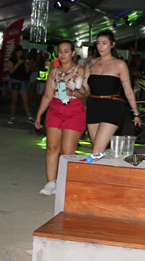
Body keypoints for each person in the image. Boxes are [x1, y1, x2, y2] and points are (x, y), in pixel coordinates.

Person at [34, 41, 87, 195]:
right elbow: (47, 95)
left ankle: (67, 181)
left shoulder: (80, 70)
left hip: (74, 110)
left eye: (66, 51)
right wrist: (39, 115)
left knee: (67, 150)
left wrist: (74, 92)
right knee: (51, 147)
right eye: (60, 51)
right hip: (55, 109)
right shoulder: (54, 71)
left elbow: (86, 92)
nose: (63, 54)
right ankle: (51, 182)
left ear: (73, 53)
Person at [81, 30, 141, 155]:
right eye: (98, 43)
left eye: (104, 43)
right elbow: (85, 89)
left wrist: (136, 113)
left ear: (112, 44)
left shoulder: (120, 64)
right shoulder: (91, 64)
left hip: (112, 106)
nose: (100, 47)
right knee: (98, 149)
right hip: (93, 106)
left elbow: (128, 90)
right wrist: (74, 86)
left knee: (97, 149)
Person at [7, 45, 33, 124]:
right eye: (19, 52)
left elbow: (27, 71)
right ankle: (12, 117)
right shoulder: (11, 60)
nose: (20, 54)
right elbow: (11, 71)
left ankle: (29, 117)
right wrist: (18, 63)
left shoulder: (23, 59)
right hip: (14, 80)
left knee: (25, 99)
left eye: (21, 52)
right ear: (15, 52)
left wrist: (26, 64)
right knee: (14, 100)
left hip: (22, 80)